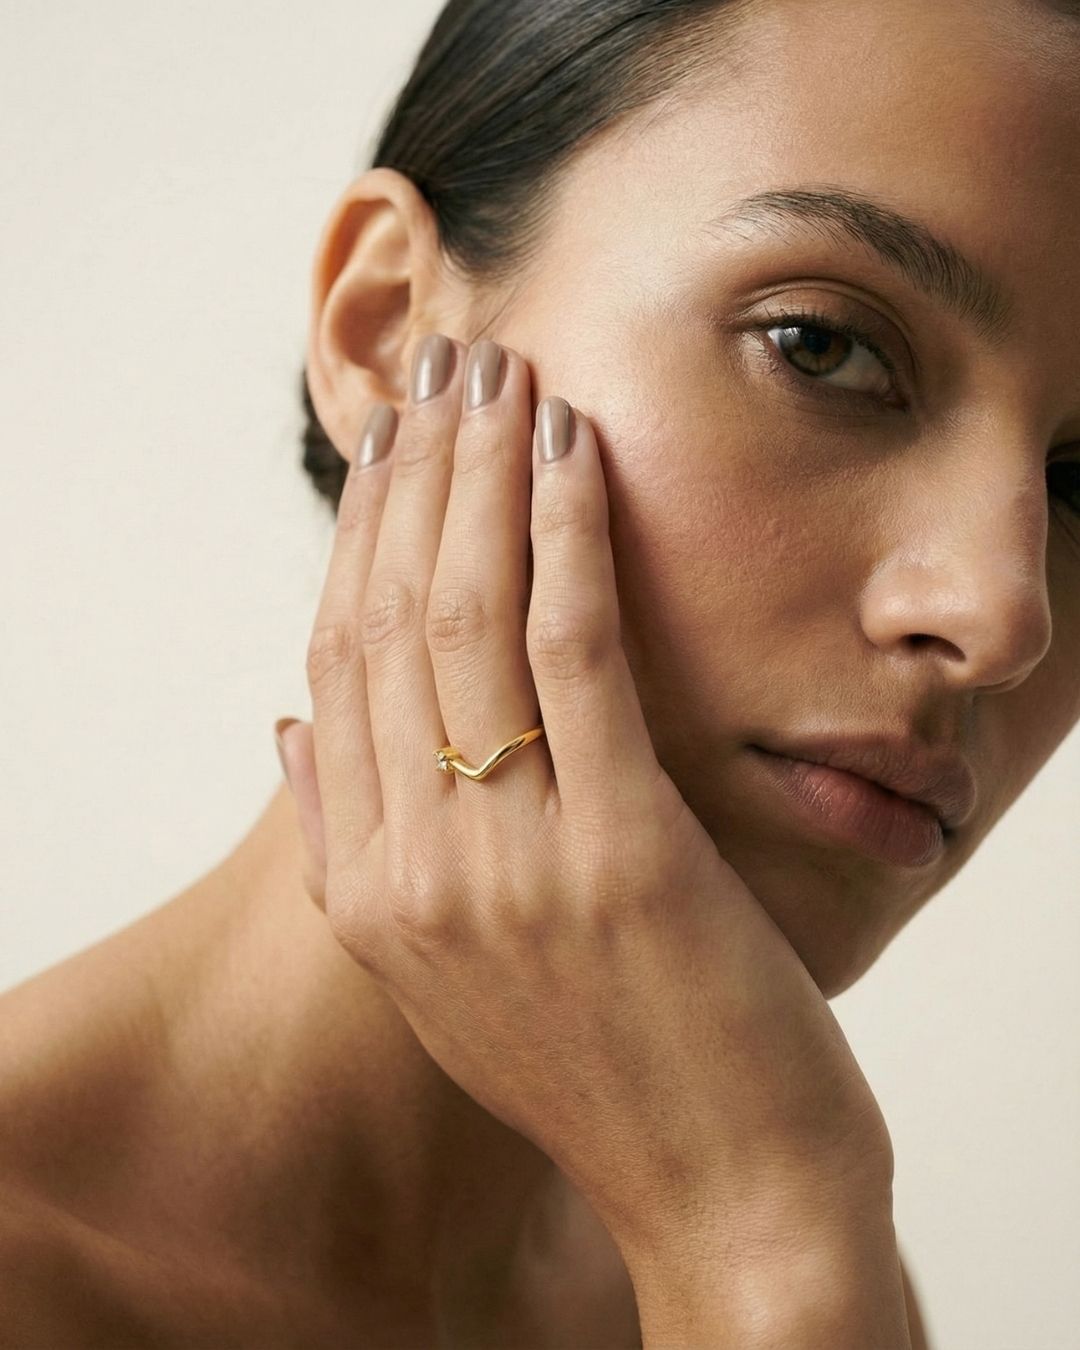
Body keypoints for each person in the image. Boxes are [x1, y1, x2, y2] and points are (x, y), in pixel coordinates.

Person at [3, 0, 1079, 1342]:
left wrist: (764, 1237)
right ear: (387, 332)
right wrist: (763, 1241)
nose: (1004, 613)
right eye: (822, 344)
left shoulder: (776, 1223)